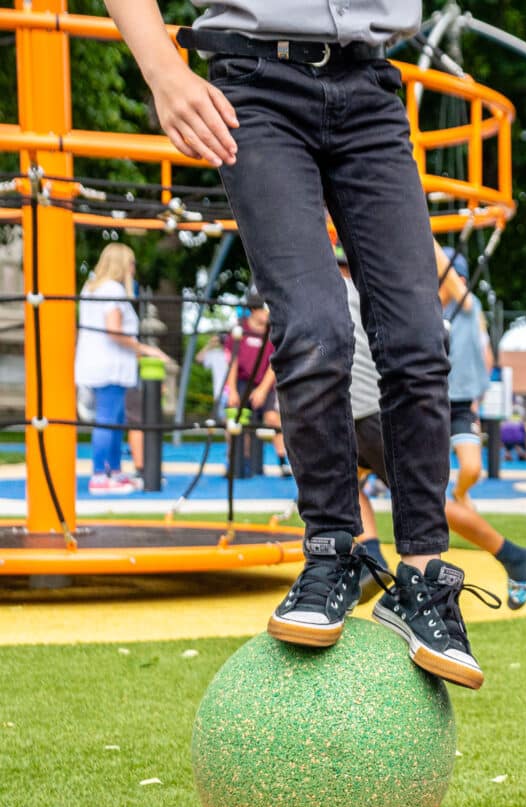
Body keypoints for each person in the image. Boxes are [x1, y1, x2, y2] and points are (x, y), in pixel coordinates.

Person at [107, 0, 486, 688]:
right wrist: (162, 68)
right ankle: (332, 549)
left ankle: (425, 581)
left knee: (419, 341)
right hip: (255, 83)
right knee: (315, 328)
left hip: (371, 88)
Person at [338, 251, 526, 611]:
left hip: (402, 410)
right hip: (396, 407)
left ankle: (513, 556)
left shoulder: (461, 303)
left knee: (429, 502)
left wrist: (415, 223)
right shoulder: (416, 303)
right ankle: (373, 559)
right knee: (348, 484)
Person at [75, 243, 167, 496]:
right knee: (107, 419)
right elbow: (114, 330)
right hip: (110, 366)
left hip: (96, 363)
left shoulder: (90, 288)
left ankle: (113, 471)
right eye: (132, 263)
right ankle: (99, 476)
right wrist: (145, 349)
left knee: (114, 419)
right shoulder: (113, 289)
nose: (134, 269)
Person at [439, 246, 491, 506]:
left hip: (460, 401)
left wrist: (478, 394)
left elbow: (485, 354)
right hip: (429, 399)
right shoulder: (424, 308)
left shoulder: (468, 307)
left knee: (471, 468)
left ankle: (459, 494)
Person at [222, 302, 290, 476]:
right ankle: (235, 460)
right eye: (264, 309)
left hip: (265, 382)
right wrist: (232, 390)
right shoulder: (239, 330)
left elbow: (274, 363)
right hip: (242, 382)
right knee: (234, 418)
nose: (268, 312)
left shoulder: (273, 330)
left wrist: (262, 389)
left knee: (273, 417)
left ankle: (283, 461)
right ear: (254, 310)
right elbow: (233, 362)